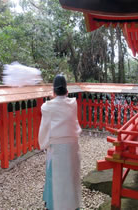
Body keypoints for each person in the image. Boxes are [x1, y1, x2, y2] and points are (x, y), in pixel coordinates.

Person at [38, 75, 82, 210]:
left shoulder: (47, 107)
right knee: (71, 177)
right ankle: (73, 205)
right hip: (73, 147)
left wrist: (43, 144)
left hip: (57, 148)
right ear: (66, 90)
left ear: (53, 91)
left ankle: (54, 206)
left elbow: (44, 128)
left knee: (56, 178)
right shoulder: (73, 103)